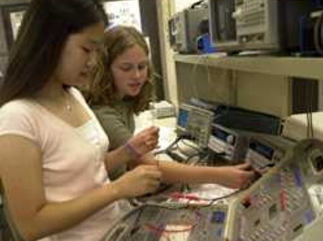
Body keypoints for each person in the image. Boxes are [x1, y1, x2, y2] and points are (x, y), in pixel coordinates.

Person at [0, 0, 163, 241]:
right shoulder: (17, 117)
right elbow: (31, 225)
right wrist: (118, 189)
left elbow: (86, 171)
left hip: (117, 228)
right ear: (50, 41)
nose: (93, 61)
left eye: (97, 51)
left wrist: (127, 152)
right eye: (87, 49)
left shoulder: (73, 95)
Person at [85, 25, 255, 194]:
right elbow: (147, 165)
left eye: (142, 66)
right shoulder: (104, 113)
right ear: (106, 69)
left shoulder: (123, 100)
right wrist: (220, 175)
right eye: (126, 68)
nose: (137, 75)